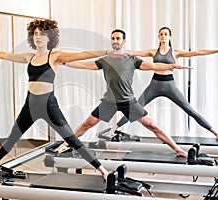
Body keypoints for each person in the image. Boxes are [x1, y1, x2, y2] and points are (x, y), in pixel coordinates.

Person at [0, 19, 115, 180]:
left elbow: (82, 54)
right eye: (35, 34)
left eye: (42, 34)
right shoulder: (29, 57)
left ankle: (102, 169)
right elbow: (5, 55)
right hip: (30, 104)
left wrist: (107, 52)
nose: (38, 37)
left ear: (50, 37)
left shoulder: (55, 56)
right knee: (13, 135)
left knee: (71, 139)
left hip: (49, 105)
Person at [55, 29, 191, 157]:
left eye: (118, 38)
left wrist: (173, 66)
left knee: (152, 125)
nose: (115, 41)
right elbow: (85, 65)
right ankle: (65, 144)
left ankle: (178, 149)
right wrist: (64, 63)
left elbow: (154, 66)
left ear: (124, 41)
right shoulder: (105, 60)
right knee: (87, 124)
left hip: (128, 101)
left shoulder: (132, 59)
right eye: (113, 38)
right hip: (109, 101)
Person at [114, 27, 218, 139]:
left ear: (170, 36)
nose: (163, 36)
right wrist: (119, 50)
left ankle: (214, 132)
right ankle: (113, 129)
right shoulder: (153, 52)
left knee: (189, 109)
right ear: (158, 37)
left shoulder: (175, 52)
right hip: (154, 85)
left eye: (166, 34)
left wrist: (216, 50)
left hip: (169, 86)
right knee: (136, 107)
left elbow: (199, 52)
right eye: (161, 34)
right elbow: (135, 52)